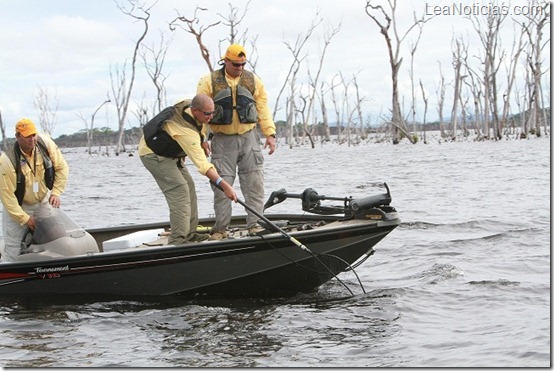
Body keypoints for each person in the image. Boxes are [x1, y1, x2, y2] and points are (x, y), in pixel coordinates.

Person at [197, 43, 277, 240]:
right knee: (222, 183)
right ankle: (221, 229)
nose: (239, 68)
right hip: (222, 140)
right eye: (235, 64)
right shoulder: (209, 81)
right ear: (225, 61)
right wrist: (202, 138)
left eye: (242, 64)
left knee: (254, 181)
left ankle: (255, 225)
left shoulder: (253, 80)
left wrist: (270, 134)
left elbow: (263, 108)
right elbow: (199, 111)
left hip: (249, 137)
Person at [139, 93, 238, 245]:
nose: (210, 117)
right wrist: (225, 186)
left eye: (213, 113)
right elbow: (203, 166)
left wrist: (203, 140)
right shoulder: (186, 132)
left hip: (170, 153)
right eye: (207, 114)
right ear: (195, 110)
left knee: (189, 186)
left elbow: (201, 127)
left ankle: (190, 234)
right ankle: (178, 240)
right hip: (153, 154)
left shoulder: (186, 104)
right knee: (180, 190)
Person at [0, 118, 69, 262]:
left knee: (57, 238)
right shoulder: (7, 161)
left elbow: (62, 168)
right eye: (27, 136)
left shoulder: (45, 144)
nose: (32, 139)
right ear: (18, 136)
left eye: (33, 134)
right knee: (13, 248)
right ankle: (11, 275)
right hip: (19, 206)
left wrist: (56, 192)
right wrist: (25, 219)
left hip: (43, 200)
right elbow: (7, 198)